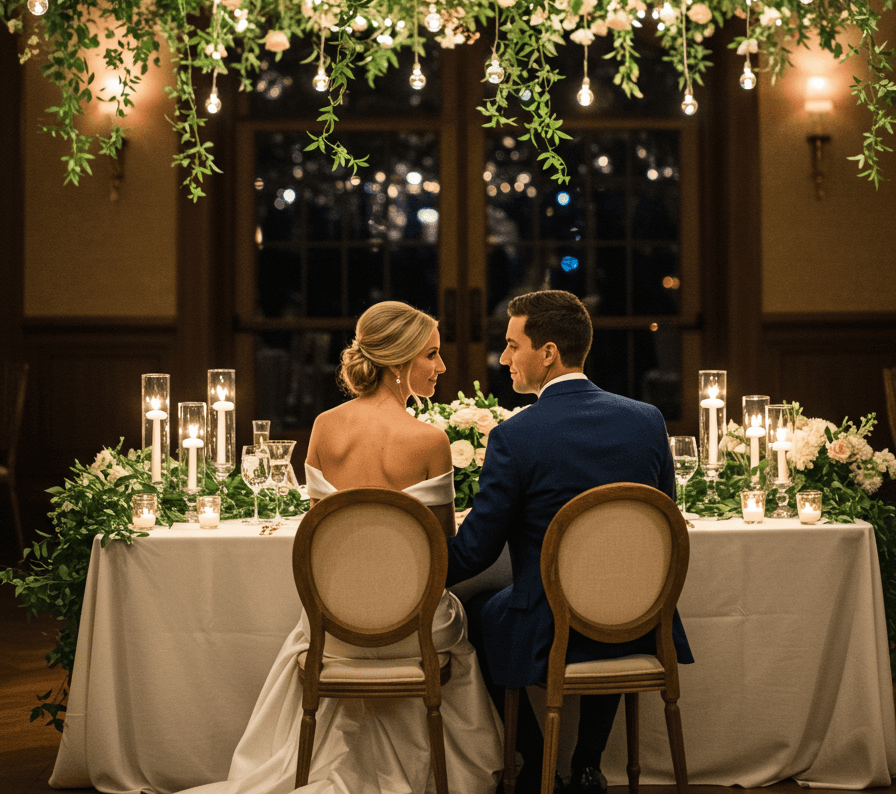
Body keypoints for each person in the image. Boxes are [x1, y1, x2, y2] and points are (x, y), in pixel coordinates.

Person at [176, 300, 502, 794]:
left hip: (337, 626)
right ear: (397, 361)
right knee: (465, 614)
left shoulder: (325, 427)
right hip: (413, 628)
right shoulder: (429, 440)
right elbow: (441, 556)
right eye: (431, 355)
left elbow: (328, 535)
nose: (441, 366)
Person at [446, 289, 693, 794]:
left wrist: (418, 576)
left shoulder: (515, 437)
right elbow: (665, 522)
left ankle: (539, 765)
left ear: (549, 353)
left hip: (550, 629)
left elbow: (477, 550)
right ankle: (586, 765)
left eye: (513, 345)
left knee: (475, 611)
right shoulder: (647, 421)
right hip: (640, 621)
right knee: (607, 603)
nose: (505, 357)